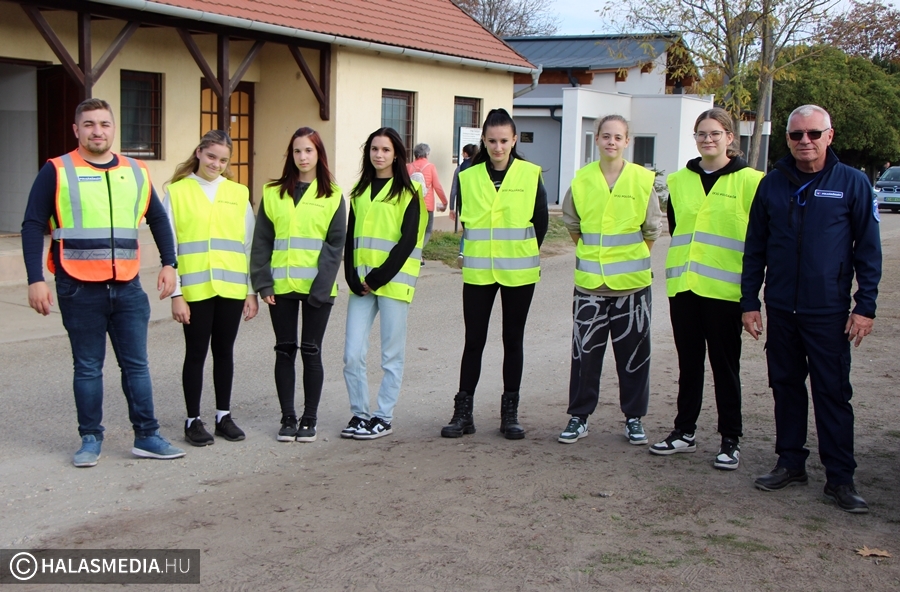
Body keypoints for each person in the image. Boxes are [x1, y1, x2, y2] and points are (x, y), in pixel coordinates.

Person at [21, 98, 185, 467]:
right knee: (88, 367)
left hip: (127, 285)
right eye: (90, 124)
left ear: (114, 129)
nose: (98, 131)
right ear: (76, 130)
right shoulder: (57, 170)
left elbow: (158, 220)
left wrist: (169, 264)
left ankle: (147, 435)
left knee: (137, 366)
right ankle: (90, 439)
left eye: (105, 124)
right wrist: (36, 278)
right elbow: (33, 224)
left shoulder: (136, 170)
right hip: (78, 287)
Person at [742, 104, 882, 513]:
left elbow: (868, 251)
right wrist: (750, 302)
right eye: (797, 135)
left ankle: (840, 478)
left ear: (829, 136)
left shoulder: (852, 183)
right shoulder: (772, 184)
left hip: (829, 312)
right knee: (785, 388)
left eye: (813, 134)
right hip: (783, 308)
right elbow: (755, 248)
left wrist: (865, 306)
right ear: (787, 139)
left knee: (832, 394)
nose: (805, 142)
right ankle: (790, 463)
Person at [649, 109, 764, 470]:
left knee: (725, 367)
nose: (707, 139)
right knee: (689, 364)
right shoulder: (681, 180)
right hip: (684, 288)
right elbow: (677, 228)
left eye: (715, 133)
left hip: (726, 293)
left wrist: (751, 296)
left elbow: (759, 242)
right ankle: (684, 431)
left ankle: (731, 439)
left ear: (730, 138)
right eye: (701, 134)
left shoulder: (751, 181)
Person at [440, 108, 548, 440]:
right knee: (474, 341)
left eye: (504, 140)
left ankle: (509, 414)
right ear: (483, 141)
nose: (498, 147)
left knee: (512, 340)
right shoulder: (469, 176)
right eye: (491, 141)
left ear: (514, 140)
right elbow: (466, 222)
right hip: (478, 271)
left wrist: (521, 252)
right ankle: (463, 413)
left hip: (518, 271)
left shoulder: (530, 174)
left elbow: (540, 223)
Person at [556, 115, 661, 447]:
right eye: (606, 136)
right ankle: (579, 417)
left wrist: (626, 260)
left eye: (618, 137)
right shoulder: (583, 180)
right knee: (585, 355)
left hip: (632, 286)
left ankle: (634, 418)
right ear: (597, 140)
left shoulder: (643, 180)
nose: (611, 142)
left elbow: (652, 229)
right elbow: (572, 223)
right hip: (590, 287)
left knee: (634, 356)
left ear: (627, 141)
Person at [164, 130, 258, 447]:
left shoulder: (238, 192)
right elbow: (170, 248)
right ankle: (192, 420)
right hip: (195, 290)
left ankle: (223, 416)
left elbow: (247, 245)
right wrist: (176, 294)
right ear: (199, 152)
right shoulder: (176, 192)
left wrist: (250, 291)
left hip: (231, 288)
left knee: (224, 353)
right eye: (211, 156)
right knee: (196, 354)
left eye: (222, 159)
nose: (215, 164)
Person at [251, 127, 346, 443]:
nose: (303, 157)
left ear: (319, 154)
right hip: (281, 287)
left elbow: (335, 246)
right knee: (284, 350)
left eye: (309, 150)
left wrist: (321, 287)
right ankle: (288, 418)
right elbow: (262, 241)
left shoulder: (332, 195)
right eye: (297, 151)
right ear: (290, 155)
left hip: (318, 289)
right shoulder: (273, 192)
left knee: (311, 351)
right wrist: (264, 284)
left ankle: (310, 418)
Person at [342, 127, 427, 440]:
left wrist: (377, 278)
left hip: (391, 283)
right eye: (374, 149)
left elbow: (407, 242)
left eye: (386, 150)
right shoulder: (359, 191)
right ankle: (360, 414)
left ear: (397, 155)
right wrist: (352, 276)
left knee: (391, 356)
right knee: (352, 353)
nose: (379, 155)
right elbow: (351, 237)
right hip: (361, 284)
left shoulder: (409, 193)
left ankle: (383, 416)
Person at [407, 143, 448, 255]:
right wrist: (444, 202)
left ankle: (412, 252)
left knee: (413, 230)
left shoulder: (409, 166)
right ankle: (417, 252)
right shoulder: (430, 167)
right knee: (427, 230)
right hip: (427, 205)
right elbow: (437, 186)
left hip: (411, 204)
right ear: (427, 154)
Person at [449, 143, 478, 268]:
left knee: (467, 229)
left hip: (464, 203)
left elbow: (454, 189)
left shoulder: (460, 168)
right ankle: (474, 255)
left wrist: (451, 207)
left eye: (462, 152)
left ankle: (462, 252)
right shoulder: (479, 167)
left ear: (466, 153)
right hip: (478, 202)